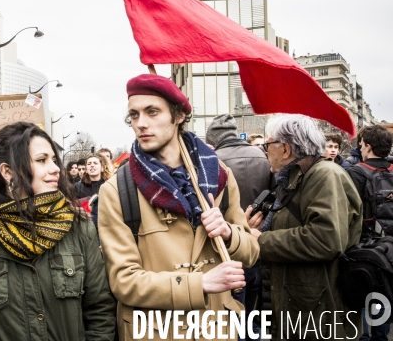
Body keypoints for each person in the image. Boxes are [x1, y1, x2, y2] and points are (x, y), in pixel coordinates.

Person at [98, 74, 259, 341]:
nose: (141, 124)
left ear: (179, 115)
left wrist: (229, 232)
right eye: (134, 115)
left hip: (218, 327)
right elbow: (123, 281)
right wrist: (200, 284)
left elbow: (251, 252)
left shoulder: (219, 175)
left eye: (152, 112)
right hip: (157, 331)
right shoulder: (117, 190)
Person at [0, 122, 116, 340]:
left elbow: (100, 312)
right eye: (41, 160)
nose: (55, 168)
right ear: (7, 171)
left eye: (53, 160)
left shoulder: (78, 228)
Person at [246, 115, 362, 340]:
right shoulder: (296, 178)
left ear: (286, 150)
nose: (266, 151)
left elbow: (326, 239)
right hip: (300, 303)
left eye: (268, 145)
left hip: (319, 309)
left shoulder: (325, 175)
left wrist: (260, 240)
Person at [205, 114, 272, 325]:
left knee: (232, 314)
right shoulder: (262, 156)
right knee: (253, 310)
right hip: (256, 237)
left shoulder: (213, 162)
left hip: (226, 243)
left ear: (214, 138)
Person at [345, 126, 393, 341]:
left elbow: (349, 209)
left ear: (368, 146)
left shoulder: (356, 171)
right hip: (391, 242)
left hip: (367, 244)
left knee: (368, 290)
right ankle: (381, 336)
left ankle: (366, 335)